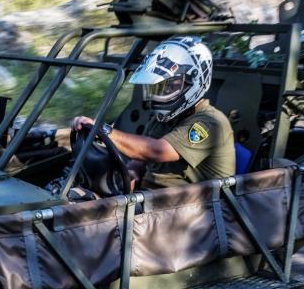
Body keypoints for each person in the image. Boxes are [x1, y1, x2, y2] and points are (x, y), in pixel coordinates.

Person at [71, 36, 235, 188]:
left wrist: (105, 130)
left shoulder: (210, 122)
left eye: (169, 86)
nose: (160, 94)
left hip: (197, 211)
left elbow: (158, 151)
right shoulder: (165, 118)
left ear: (193, 82)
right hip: (155, 204)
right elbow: (142, 161)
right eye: (158, 87)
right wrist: (130, 172)